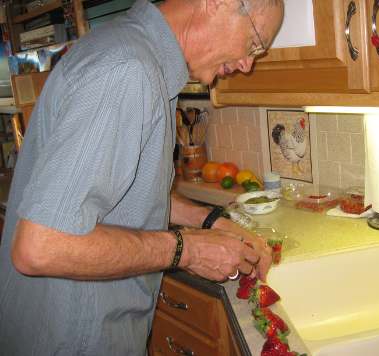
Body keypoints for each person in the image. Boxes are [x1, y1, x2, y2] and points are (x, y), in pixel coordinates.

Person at [0, 0, 284, 354]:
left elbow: (130, 188)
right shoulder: (126, 70)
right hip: (70, 339)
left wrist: (211, 221)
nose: (247, 64)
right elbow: (40, 246)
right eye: (255, 43)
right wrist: (188, 250)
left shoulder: (137, 56)